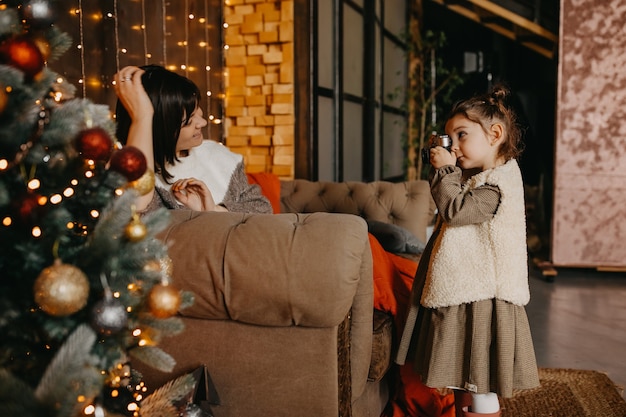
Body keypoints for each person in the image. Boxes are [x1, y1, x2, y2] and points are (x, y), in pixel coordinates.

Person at [395, 85, 540, 417]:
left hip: (483, 299)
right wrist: (446, 170)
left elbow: (455, 211)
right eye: (450, 138)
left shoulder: (498, 186)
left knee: (480, 383)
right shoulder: (481, 178)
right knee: (463, 380)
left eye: (461, 135)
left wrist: (446, 170)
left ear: (495, 134)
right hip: (467, 294)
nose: (455, 147)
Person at [113, 64, 272, 214]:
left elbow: (263, 209)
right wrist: (142, 117)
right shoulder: (129, 176)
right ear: (161, 132)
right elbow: (134, 214)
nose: (202, 122)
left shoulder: (217, 156)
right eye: (188, 122)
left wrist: (213, 210)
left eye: (197, 111)